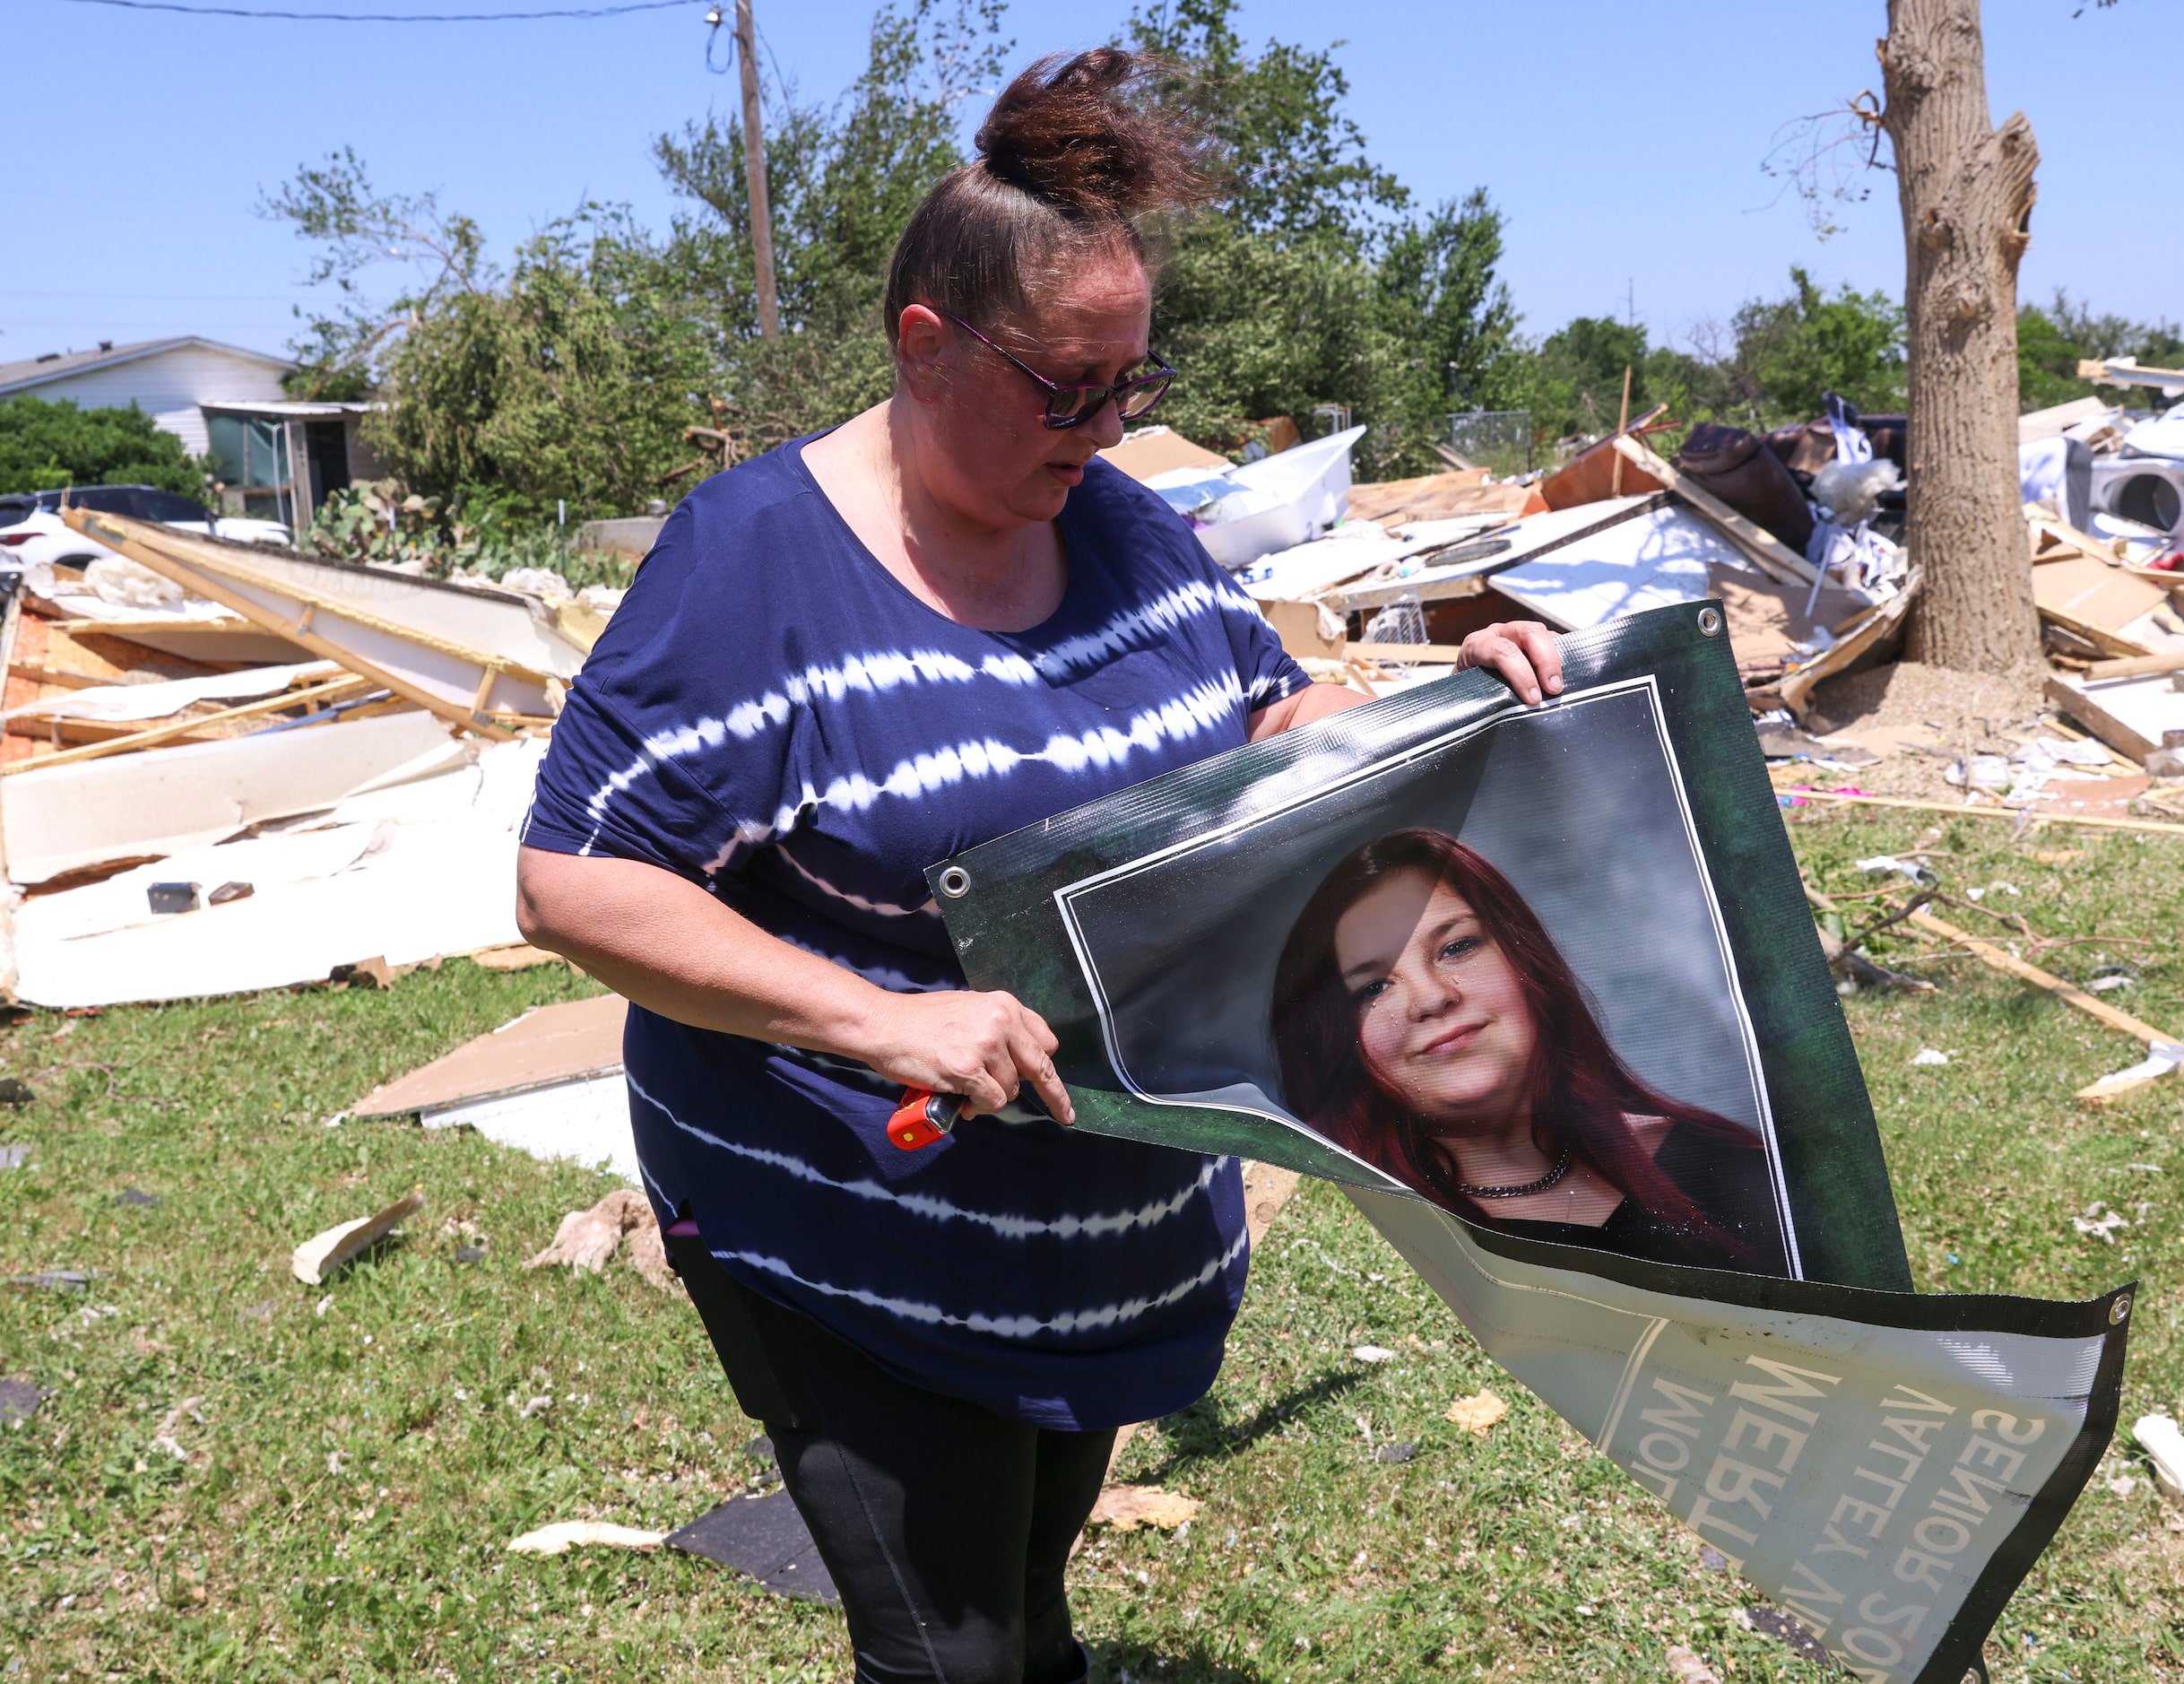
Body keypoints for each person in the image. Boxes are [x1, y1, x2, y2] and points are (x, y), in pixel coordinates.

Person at [513, 50, 1563, 1684]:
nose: (1106, 425)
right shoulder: (751, 569)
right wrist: (880, 1021)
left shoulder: (1118, 518)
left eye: (1129, 383)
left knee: (1030, 1611)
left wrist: (1430, 705)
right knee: (953, 1653)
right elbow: (577, 880)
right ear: (924, 345)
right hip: (854, 1223)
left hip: (1097, 1240)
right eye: (1066, 387)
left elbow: (1267, 701)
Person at [1269, 828, 1791, 1275]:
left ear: (1528, 963)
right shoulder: (1376, 1241)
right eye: (1372, 988)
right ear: (1340, 1045)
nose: (1431, 997)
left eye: (1457, 947)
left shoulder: (1724, 1161)